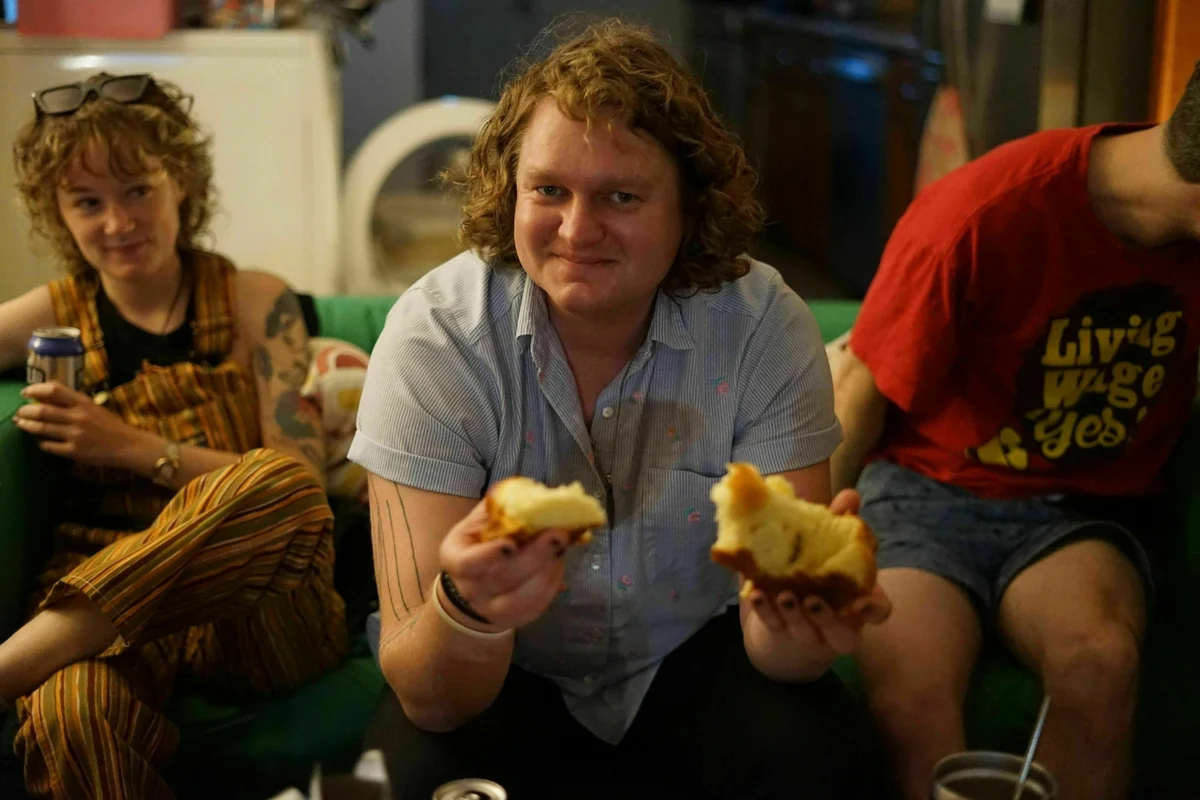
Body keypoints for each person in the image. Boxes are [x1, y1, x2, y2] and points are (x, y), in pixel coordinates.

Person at [350, 19, 892, 799]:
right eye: (549, 190)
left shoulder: (763, 329)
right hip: (502, 670)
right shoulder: (436, 338)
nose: (577, 230)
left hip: (694, 653)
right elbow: (431, 698)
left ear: (690, 209)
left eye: (621, 196)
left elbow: (774, 643)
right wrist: (470, 606)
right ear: (509, 191)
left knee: (832, 766)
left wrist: (801, 626)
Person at [831, 63, 1200, 800]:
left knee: (1099, 664)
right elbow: (858, 393)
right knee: (910, 696)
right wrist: (804, 545)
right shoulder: (983, 213)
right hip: (923, 492)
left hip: (1080, 511)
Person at [0, 73, 348, 799]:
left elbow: (303, 489)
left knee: (281, 482)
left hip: (257, 610)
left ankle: (17, 662)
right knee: (69, 713)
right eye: (86, 202)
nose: (116, 222)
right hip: (106, 592)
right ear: (56, 212)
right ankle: (54, 654)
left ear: (181, 182)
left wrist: (128, 446)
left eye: (137, 190)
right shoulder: (55, 316)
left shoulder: (257, 300)